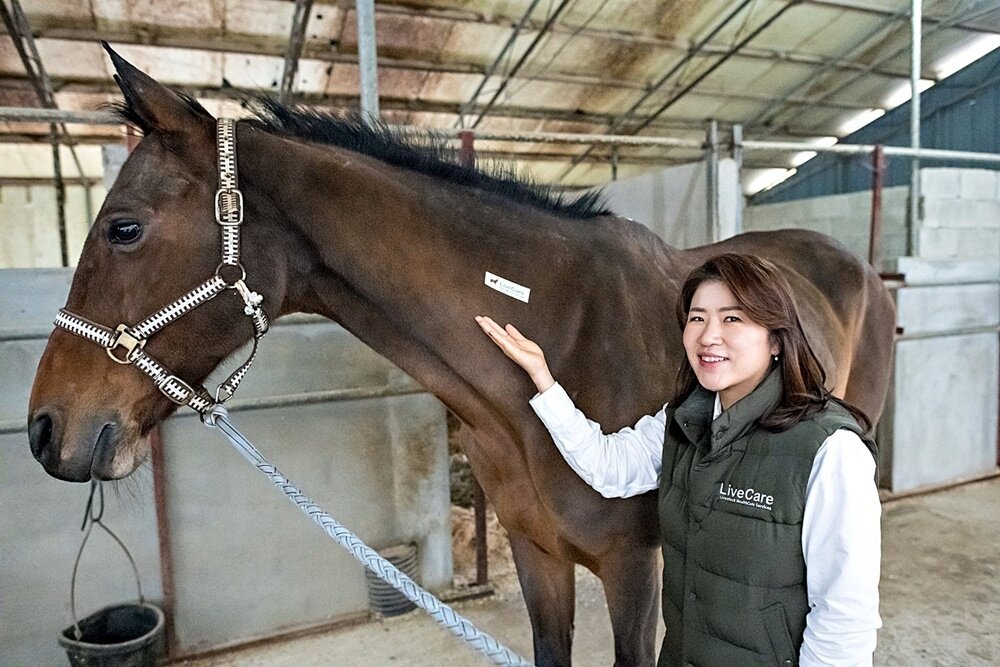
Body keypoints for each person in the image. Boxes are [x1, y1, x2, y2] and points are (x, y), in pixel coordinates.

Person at [475, 253, 881, 667]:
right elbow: (609, 467)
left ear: (776, 338)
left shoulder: (831, 451)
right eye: (697, 318)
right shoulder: (685, 419)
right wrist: (543, 380)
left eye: (732, 319)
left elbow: (844, 620)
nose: (708, 336)